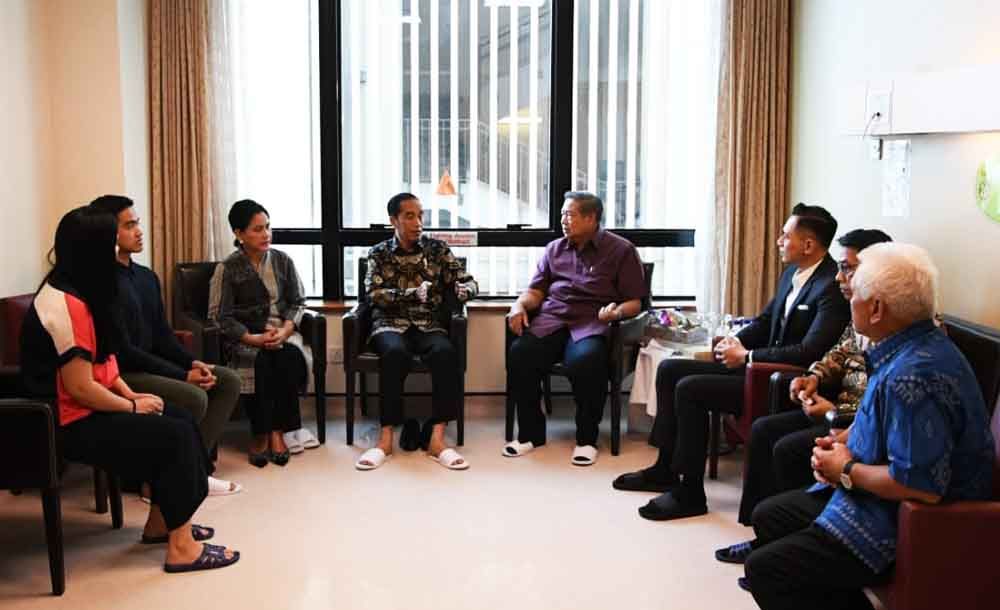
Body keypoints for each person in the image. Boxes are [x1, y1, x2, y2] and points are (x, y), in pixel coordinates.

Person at [743, 242, 995, 609]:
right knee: (770, 517)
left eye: (855, 290)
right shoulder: (907, 346)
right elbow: (883, 421)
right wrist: (842, 440)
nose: (848, 297)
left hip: (910, 522)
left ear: (876, 308)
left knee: (767, 570)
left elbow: (921, 487)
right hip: (877, 497)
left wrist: (844, 468)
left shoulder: (913, 375)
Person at [19, 206, 239, 572]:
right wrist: (131, 408)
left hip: (89, 408)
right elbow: (80, 387)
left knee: (180, 419)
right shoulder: (63, 303)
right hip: (66, 422)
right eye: (110, 242)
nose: (117, 250)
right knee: (174, 437)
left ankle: (161, 524)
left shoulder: (83, 290)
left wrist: (131, 395)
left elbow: (104, 363)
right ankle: (181, 548)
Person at [614, 203, 850, 519]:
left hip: (780, 381)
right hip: (756, 368)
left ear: (808, 245)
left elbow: (810, 350)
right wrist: (735, 341)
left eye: (785, 236)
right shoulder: (792, 274)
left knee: (691, 389)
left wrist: (749, 355)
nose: (779, 241)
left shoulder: (829, 288)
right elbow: (766, 321)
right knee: (670, 368)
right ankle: (665, 468)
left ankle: (690, 492)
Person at [714, 229, 892, 563]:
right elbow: (838, 353)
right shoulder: (861, 311)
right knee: (765, 429)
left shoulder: (893, 319)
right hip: (838, 409)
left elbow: (881, 402)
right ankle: (763, 533)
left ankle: (792, 541)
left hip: (852, 421)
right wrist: (812, 377)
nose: (839, 276)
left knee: (788, 447)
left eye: (848, 268)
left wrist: (832, 412)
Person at [89, 195, 242, 496]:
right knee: (194, 397)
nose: (138, 231)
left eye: (138, 223)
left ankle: (190, 469)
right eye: (129, 225)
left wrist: (191, 363)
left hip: (150, 364)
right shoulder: (101, 281)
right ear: (108, 232)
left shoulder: (145, 277)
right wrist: (182, 376)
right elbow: (122, 351)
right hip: (122, 374)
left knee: (228, 381)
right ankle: (173, 477)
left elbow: (162, 335)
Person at [504, 191, 647, 466]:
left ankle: (586, 439)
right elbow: (536, 290)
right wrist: (519, 306)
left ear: (591, 218)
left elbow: (635, 302)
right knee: (521, 353)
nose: (563, 221)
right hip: (553, 318)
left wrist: (616, 312)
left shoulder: (621, 250)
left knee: (587, 361)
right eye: (562, 214)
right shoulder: (554, 249)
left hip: (592, 321)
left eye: (569, 215)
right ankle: (531, 434)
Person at [356, 193, 478, 471]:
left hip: (428, 323)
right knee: (395, 354)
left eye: (420, 215)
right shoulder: (379, 253)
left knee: (445, 353)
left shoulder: (437, 249)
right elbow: (373, 295)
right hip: (389, 323)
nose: (417, 222)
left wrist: (465, 290)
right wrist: (411, 294)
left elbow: (468, 281)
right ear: (394, 220)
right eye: (409, 216)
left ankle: (437, 438)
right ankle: (385, 439)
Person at [208, 199, 317, 467]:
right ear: (238, 233)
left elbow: (298, 302)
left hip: (282, 331)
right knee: (261, 362)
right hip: (245, 338)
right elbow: (219, 315)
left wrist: (286, 329)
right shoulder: (227, 268)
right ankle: (260, 434)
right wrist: (251, 338)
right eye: (257, 229)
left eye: (267, 227)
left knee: (288, 357)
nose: (266, 234)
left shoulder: (282, 261)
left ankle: (278, 431)